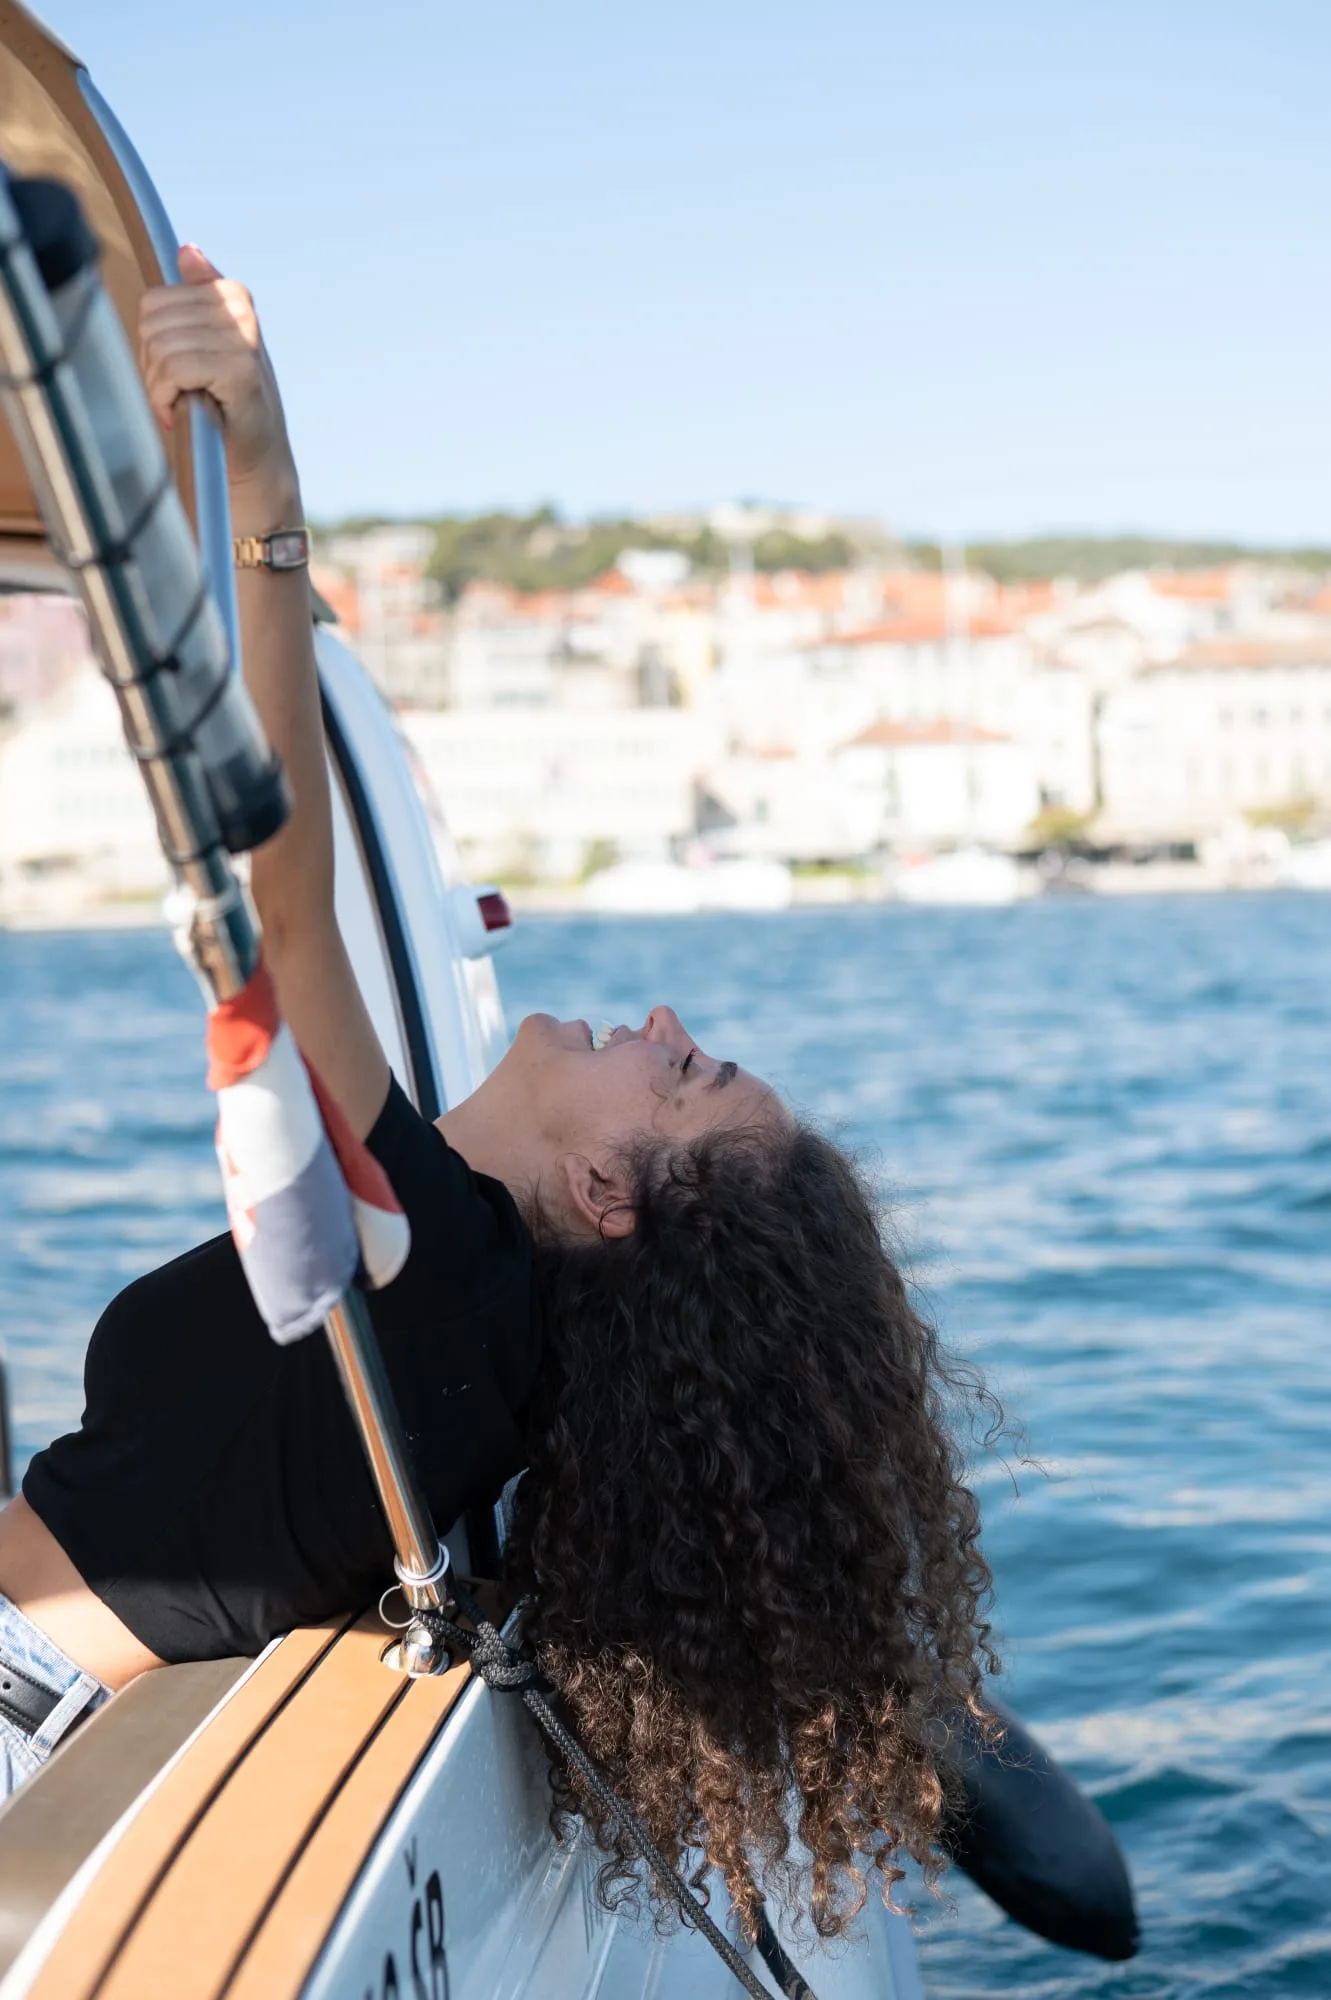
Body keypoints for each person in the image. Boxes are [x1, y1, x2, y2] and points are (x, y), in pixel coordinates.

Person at [0, 248, 999, 1942]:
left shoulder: (444, 1276)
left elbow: (285, 896)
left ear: (608, 1194)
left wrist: (268, 490)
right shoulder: (464, 1330)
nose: (660, 1022)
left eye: (682, 1073)